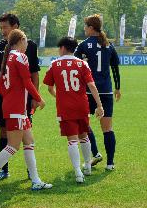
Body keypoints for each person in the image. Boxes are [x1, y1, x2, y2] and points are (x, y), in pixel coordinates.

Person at [0, 29, 52, 193]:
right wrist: (38, 98)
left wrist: (11, 97)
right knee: (13, 146)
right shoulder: (20, 56)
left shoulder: (8, 57)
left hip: (13, 105)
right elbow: (27, 81)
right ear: (22, 40)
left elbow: (0, 87)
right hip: (16, 107)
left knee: (29, 142)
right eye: (26, 40)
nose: (27, 44)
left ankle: (35, 180)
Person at [43, 37, 105, 183]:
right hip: (82, 105)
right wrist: (99, 105)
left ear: (63, 48)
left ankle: (78, 172)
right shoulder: (82, 64)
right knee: (84, 136)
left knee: (72, 140)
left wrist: (59, 96)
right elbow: (91, 85)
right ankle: (88, 168)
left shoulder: (54, 64)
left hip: (65, 108)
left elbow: (49, 88)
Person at [74, 15, 121, 171]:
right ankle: (110, 163)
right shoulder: (109, 45)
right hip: (106, 91)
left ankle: (95, 153)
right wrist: (118, 88)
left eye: (86, 26)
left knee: (84, 125)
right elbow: (115, 68)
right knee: (107, 129)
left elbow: (74, 66)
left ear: (91, 28)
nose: (84, 28)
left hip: (88, 92)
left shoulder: (83, 46)